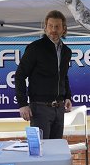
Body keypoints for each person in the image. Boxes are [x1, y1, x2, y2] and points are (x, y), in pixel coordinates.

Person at [15, 10, 72, 139]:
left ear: (63, 29)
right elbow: (19, 76)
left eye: (57, 26)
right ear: (45, 28)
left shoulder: (67, 51)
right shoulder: (35, 48)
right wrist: (22, 104)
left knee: (56, 150)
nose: (53, 30)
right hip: (39, 109)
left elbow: (64, 76)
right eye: (50, 26)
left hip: (59, 108)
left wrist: (68, 96)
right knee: (40, 152)